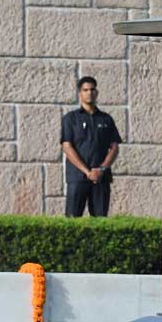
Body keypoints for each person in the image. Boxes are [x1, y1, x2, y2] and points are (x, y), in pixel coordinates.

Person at [60, 76, 122, 217]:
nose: (89, 93)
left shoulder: (106, 119)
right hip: (77, 177)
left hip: (101, 178)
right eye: (85, 90)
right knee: (72, 221)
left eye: (92, 89)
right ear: (80, 94)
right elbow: (67, 147)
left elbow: (114, 148)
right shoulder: (70, 119)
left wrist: (101, 169)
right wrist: (87, 172)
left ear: (97, 92)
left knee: (100, 221)